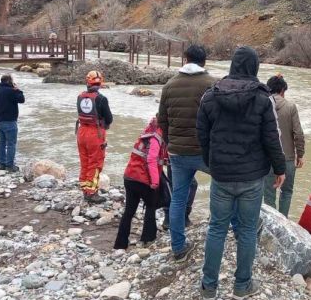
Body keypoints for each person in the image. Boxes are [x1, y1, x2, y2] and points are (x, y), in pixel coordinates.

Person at [197, 46, 286, 300]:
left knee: (216, 228)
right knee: (247, 231)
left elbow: (202, 135)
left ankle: (209, 288)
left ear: (233, 65)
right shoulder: (263, 97)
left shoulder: (210, 96)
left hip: (222, 175)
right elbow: (272, 139)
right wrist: (279, 168)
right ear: (255, 67)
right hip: (251, 178)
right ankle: (242, 286)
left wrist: (211, 162)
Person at [157, 44, 216, 257]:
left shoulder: (170, 85)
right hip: (206, 152)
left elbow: (161, 120)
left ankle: (178, 247)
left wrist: (170, 142)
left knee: (178, 199)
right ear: (204, 61)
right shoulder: (213, 85)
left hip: (178, 153)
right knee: (220, 192)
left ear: (185, 59)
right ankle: (219, 237)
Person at [114, 117, 165, 249]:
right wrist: (155, 182)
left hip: (130, 177)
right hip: (143, 180)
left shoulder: (145, 133)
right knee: (150, 206)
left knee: (129, 211)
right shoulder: (157, 137)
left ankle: (120, 243)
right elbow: (152, 159)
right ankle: (148, 238)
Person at [262, 74, 305, 217]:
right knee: (286, 192)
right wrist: (300, 154)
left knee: (269, 194)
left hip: (267, 159)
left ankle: (271, 223)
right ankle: (284, 221)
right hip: (287, 158)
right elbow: (298, 133)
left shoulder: (263, 104)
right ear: (282, 91)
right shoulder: (290, 107)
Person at [76, 70, 113, 204]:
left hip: (81, 132)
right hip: (95, 134)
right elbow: (109, 118)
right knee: (95, 163)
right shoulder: (101, 99)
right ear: (100, 82)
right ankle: (92, 193)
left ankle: (85, 189)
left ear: (88, 82)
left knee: (84, 161)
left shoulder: (80, 96)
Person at [0, 74, 25, 172]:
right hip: (10, 121)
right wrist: (18, 89)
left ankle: (2, 164)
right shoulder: (11, 91)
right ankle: (10, 165)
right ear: (10, 81)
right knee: (11, 144)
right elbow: (22, 99)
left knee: (1, 143)